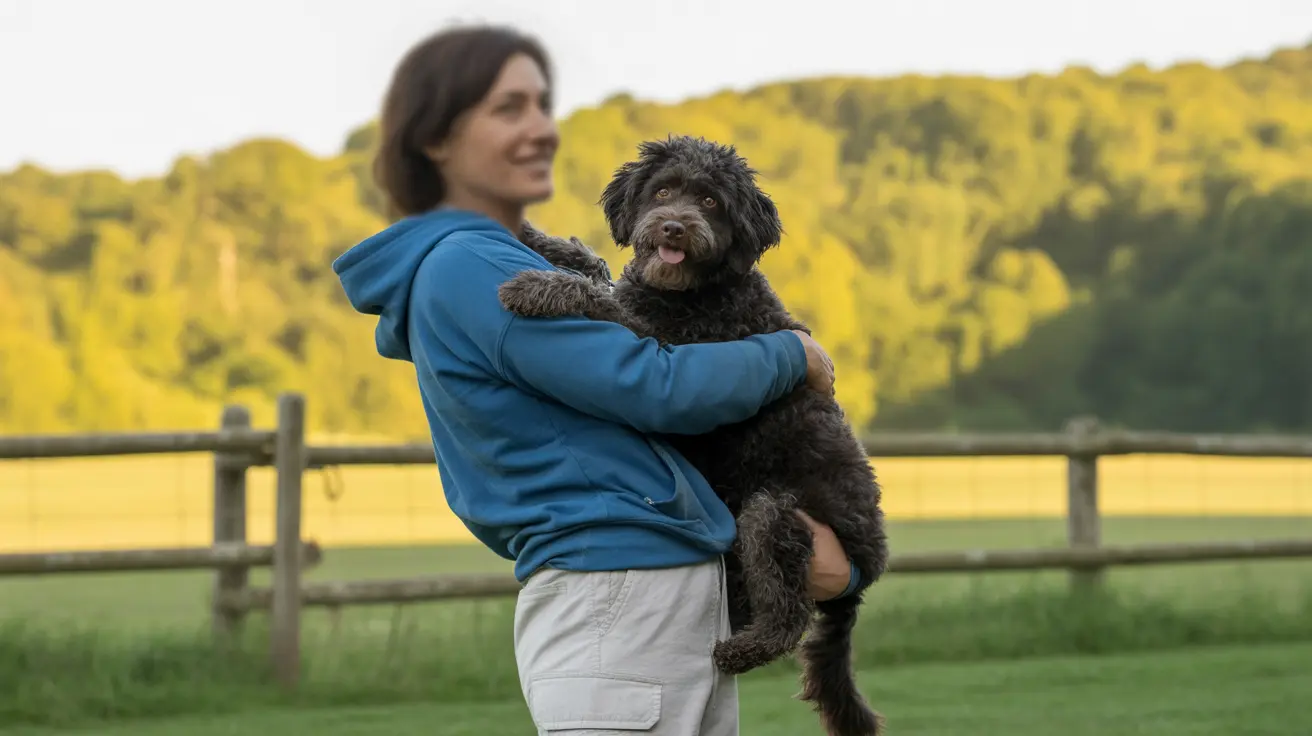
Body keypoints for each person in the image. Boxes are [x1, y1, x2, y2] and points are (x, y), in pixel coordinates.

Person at [332, 25, 861, 735]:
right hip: (616, 594)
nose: (540, 130)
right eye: (507, 108)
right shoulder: (470, 267)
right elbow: (654, 385)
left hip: (656, 589)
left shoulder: (491, 257)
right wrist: (795, 355)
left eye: (541, 106)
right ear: (435, 139)